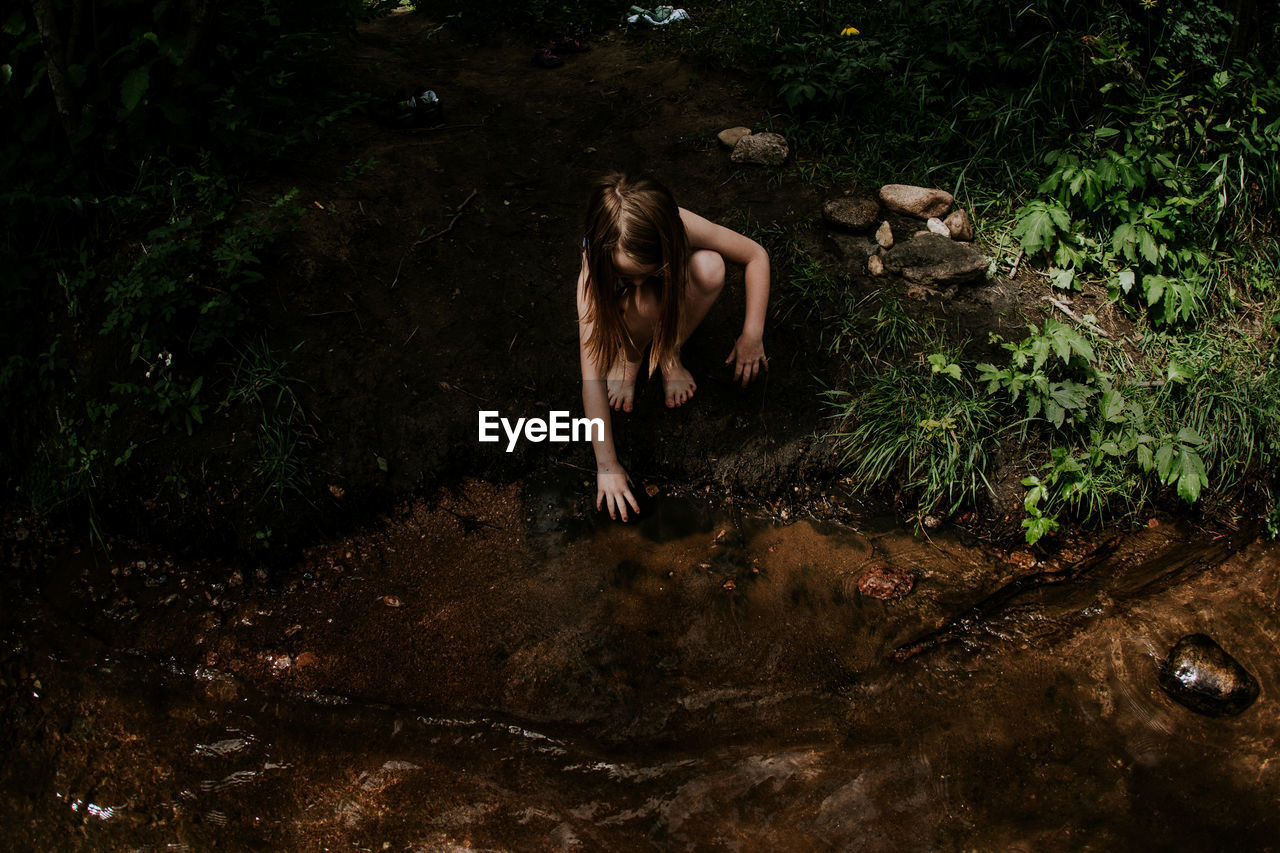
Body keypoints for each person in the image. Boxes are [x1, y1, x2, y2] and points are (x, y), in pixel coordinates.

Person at [576, 172, 770, 521]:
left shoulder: (677, 224)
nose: (636, 280)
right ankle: (631, 356)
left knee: (710, 266)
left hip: (673, 299)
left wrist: (752, 334)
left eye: (645, 271)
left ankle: (668, 352)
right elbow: (590, 376)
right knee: (645, 300)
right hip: (625, 315)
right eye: (626, 275)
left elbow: (756, 254)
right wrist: (607, 464)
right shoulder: (594, 269)